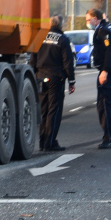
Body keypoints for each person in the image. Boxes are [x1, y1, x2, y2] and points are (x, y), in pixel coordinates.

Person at [34, 15, 77, 151]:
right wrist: (71, 80)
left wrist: (35, 75)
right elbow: (68, 62)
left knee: (44, 110)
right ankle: (50, 142)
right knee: (54, 110)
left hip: (41, 77)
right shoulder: (63, 39)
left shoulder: (40, 37)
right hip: (55, 78)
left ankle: (42, 142)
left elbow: (32, 58)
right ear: (60, 25)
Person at [86, 7, 111, 149]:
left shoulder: (103, 30)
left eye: (88, 19)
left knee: (104, 105)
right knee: (110, 105)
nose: (87, 22)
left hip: (109, 71)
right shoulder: (107, 27)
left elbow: (110, 51)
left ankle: (109, 138)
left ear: (95, 18)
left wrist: (104, 71)